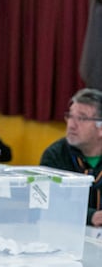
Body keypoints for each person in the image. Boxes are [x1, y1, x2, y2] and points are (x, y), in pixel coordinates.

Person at [40, 88, 102, 226]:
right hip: (66, 235)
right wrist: (91, 216)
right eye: (70, 116)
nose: (71, 125)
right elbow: (45, 202)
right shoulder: (55, 155)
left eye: (81, 118)